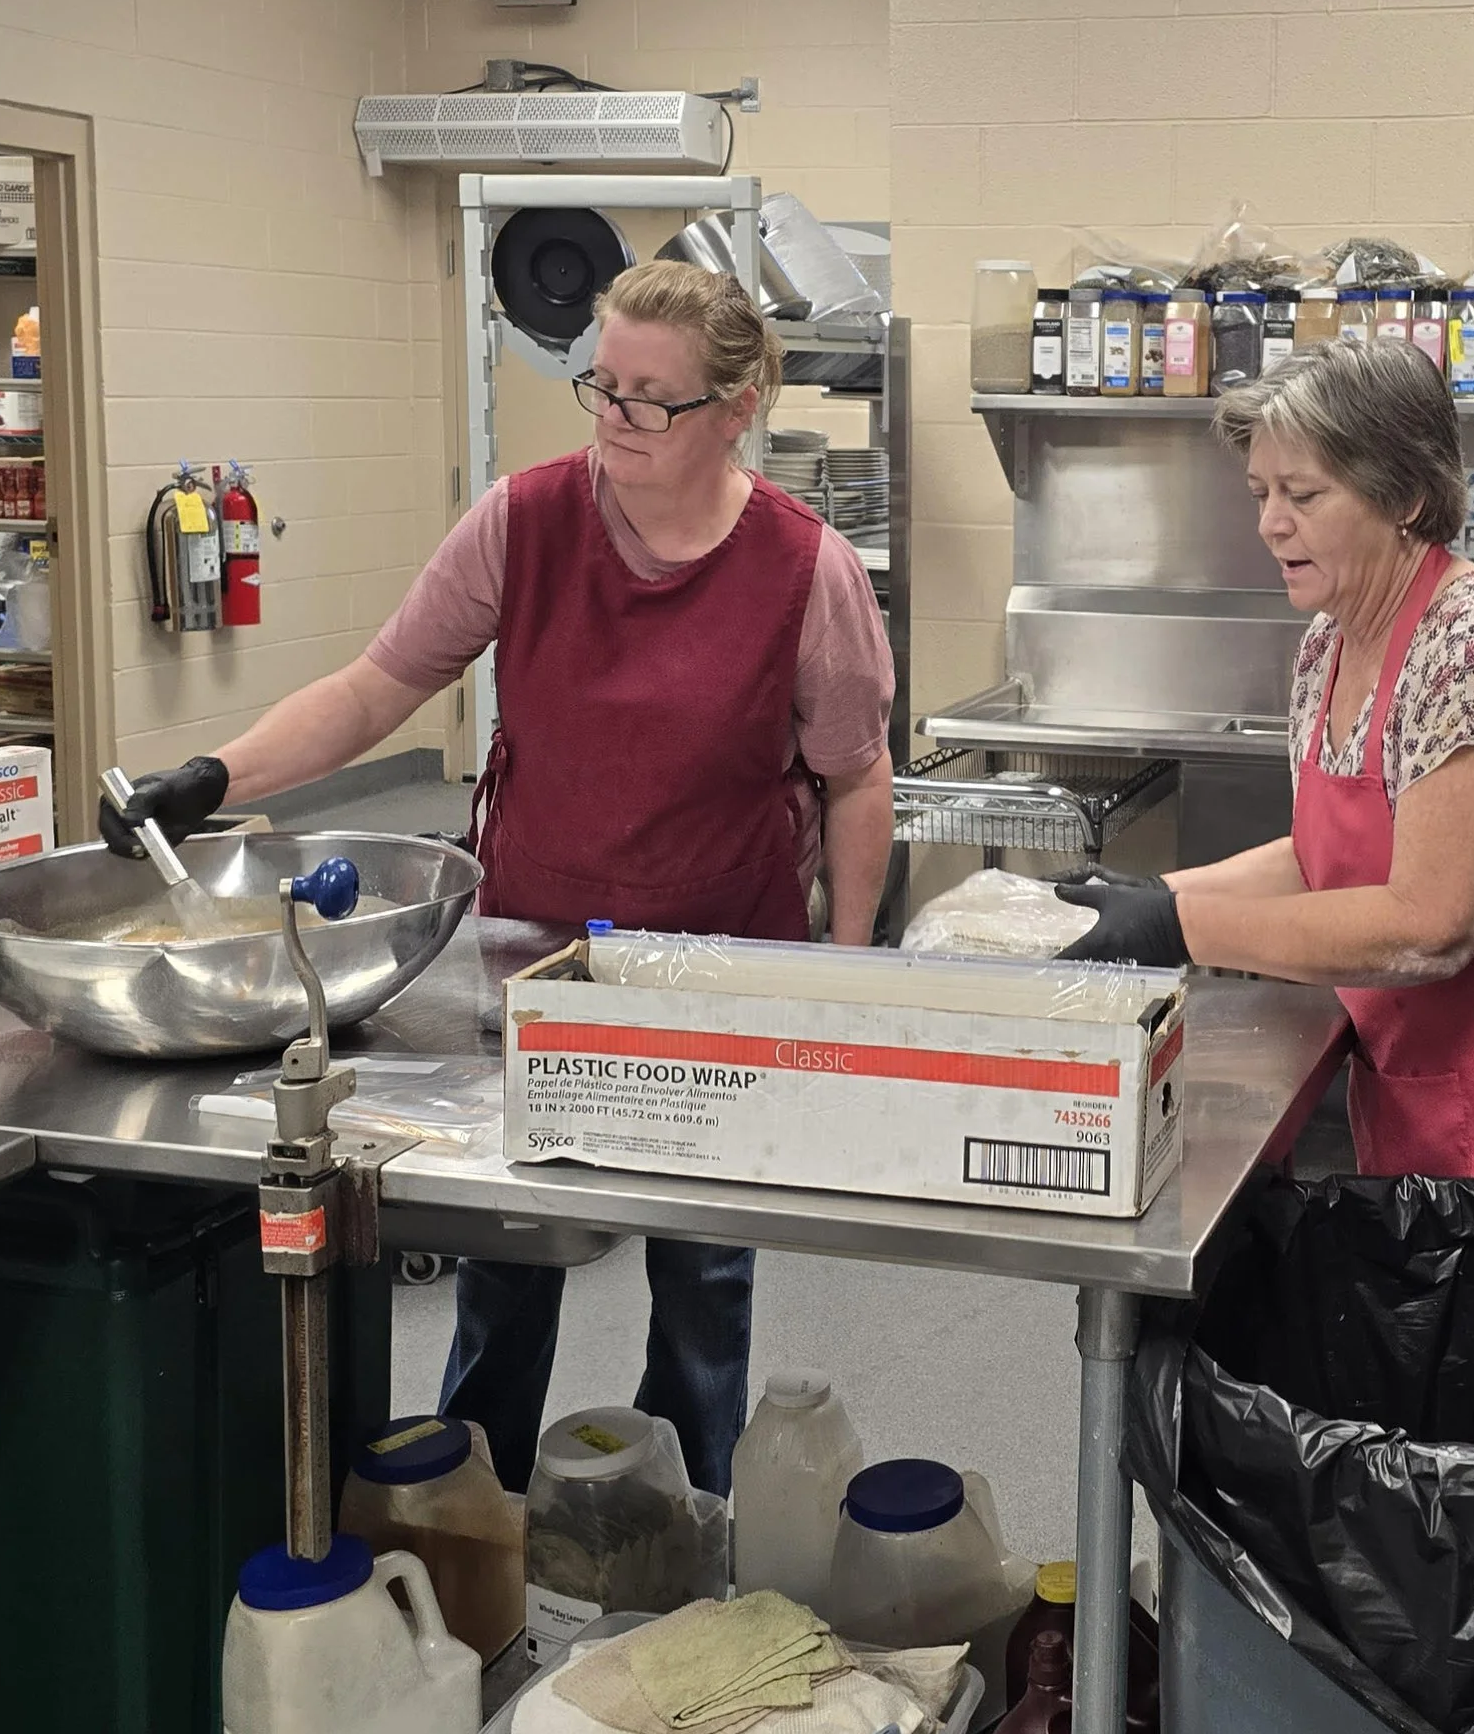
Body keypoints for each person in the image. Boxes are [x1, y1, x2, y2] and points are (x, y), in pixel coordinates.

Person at [103, 260, 897, 1487]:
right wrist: (214, 774)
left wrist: (845, 974)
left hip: (720, 968)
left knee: (700, 1281)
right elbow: (375, 688)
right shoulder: (522, 524)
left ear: (735, 409)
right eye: (601, 387)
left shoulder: (806, 571)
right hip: (534, 953)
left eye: (652, 399)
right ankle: (474, 1510)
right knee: (508, 1258)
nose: (615, 421)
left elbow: (854, 776)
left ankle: (680, 1529)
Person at [1058, 339, 1474, 1204]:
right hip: (1425, 1084)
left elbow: (1430, 923)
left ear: (1407, 498)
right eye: (1262, 494)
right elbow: (1322, 861)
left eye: (1303, 494)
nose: (1272, 521)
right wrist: (1149, 894)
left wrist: (1182, 927)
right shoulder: (1332, 641)